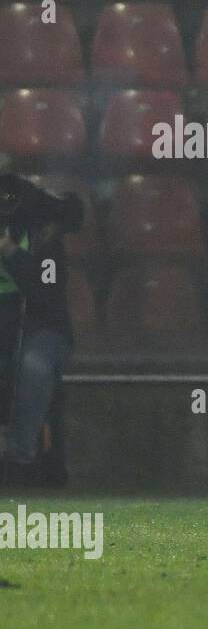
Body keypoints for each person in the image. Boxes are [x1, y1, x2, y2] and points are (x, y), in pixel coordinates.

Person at [0, 168, 84, 487]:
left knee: (32, 365)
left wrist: (10, 252)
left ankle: (19, 462)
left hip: (44, 327)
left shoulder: (44, 236)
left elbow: (44, 292)